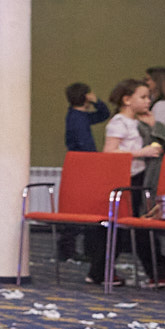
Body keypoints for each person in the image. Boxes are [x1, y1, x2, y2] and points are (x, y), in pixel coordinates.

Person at [86, 78, 165, 289]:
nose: (148, 101)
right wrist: (141, 152)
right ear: (127, 100)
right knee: (135, 229)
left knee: (136, 229)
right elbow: (109, 152)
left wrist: (153, 126)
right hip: (125, 181)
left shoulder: (139, 122)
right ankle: (157, 273)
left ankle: (101, 272)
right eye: (143, 97)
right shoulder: (119, 122)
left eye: (149, 97)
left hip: (138, 179)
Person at [59, 82, 109, 262]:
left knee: (78, 206)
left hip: (79, 164)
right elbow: (85, 143)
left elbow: (103, 114)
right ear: (86, 96)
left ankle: (70, 248)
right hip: (84, 164)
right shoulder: (78, 118)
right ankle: (70, 248)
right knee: (82, 206)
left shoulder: (76, 115)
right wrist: (97, 101)